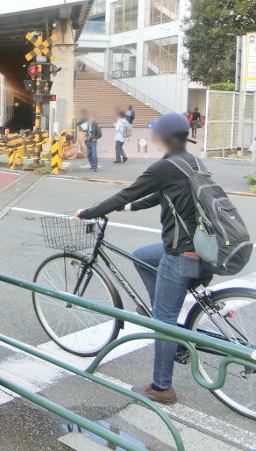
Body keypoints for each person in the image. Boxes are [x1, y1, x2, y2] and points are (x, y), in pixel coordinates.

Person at [74, 113, 209, 404]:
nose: (153, 137)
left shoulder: (164, 166)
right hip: (200, 246)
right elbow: (163, 195)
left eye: (156, 133)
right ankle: (167, 321)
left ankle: (162, 387)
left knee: (164, 319)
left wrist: (90, 212)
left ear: (164, 137)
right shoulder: (191, 161)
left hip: (181, 251)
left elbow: (126, 192)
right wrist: (132, 207)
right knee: (142, 256)